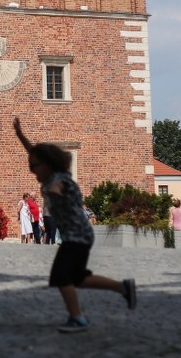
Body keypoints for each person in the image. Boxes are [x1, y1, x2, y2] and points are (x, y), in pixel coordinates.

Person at [14, 118, 135, 333]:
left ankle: (77, 318)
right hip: (78, 235)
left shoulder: (59, 180)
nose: (32, 171)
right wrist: (20, 134)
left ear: (48, 165)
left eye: (34, 167)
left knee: (61, 275)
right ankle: (122, 287)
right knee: (78, 278)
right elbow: (33, 151)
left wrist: (55, 192)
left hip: (76, 236)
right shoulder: (50, 175)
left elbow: (59, 187)